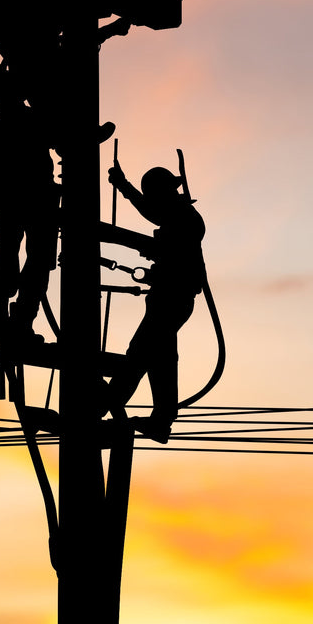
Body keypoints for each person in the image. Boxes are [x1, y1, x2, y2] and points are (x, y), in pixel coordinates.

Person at [101, 160, 205, 442]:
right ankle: (161, 419)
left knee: (141, 351)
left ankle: (108, 401)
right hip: (169, 296)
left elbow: (155, 228)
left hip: (173, 298)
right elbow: (154, 217)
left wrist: (122, 191)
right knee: (160, 358)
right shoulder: (179, 216)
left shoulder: (184, 219)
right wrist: (123, 186)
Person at [0, 89, 58, 341]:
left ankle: (12, 323)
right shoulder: (35, 119)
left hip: (15, 201)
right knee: (28, 264)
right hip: (32, 200)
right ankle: (15, 323)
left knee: (22, 263)